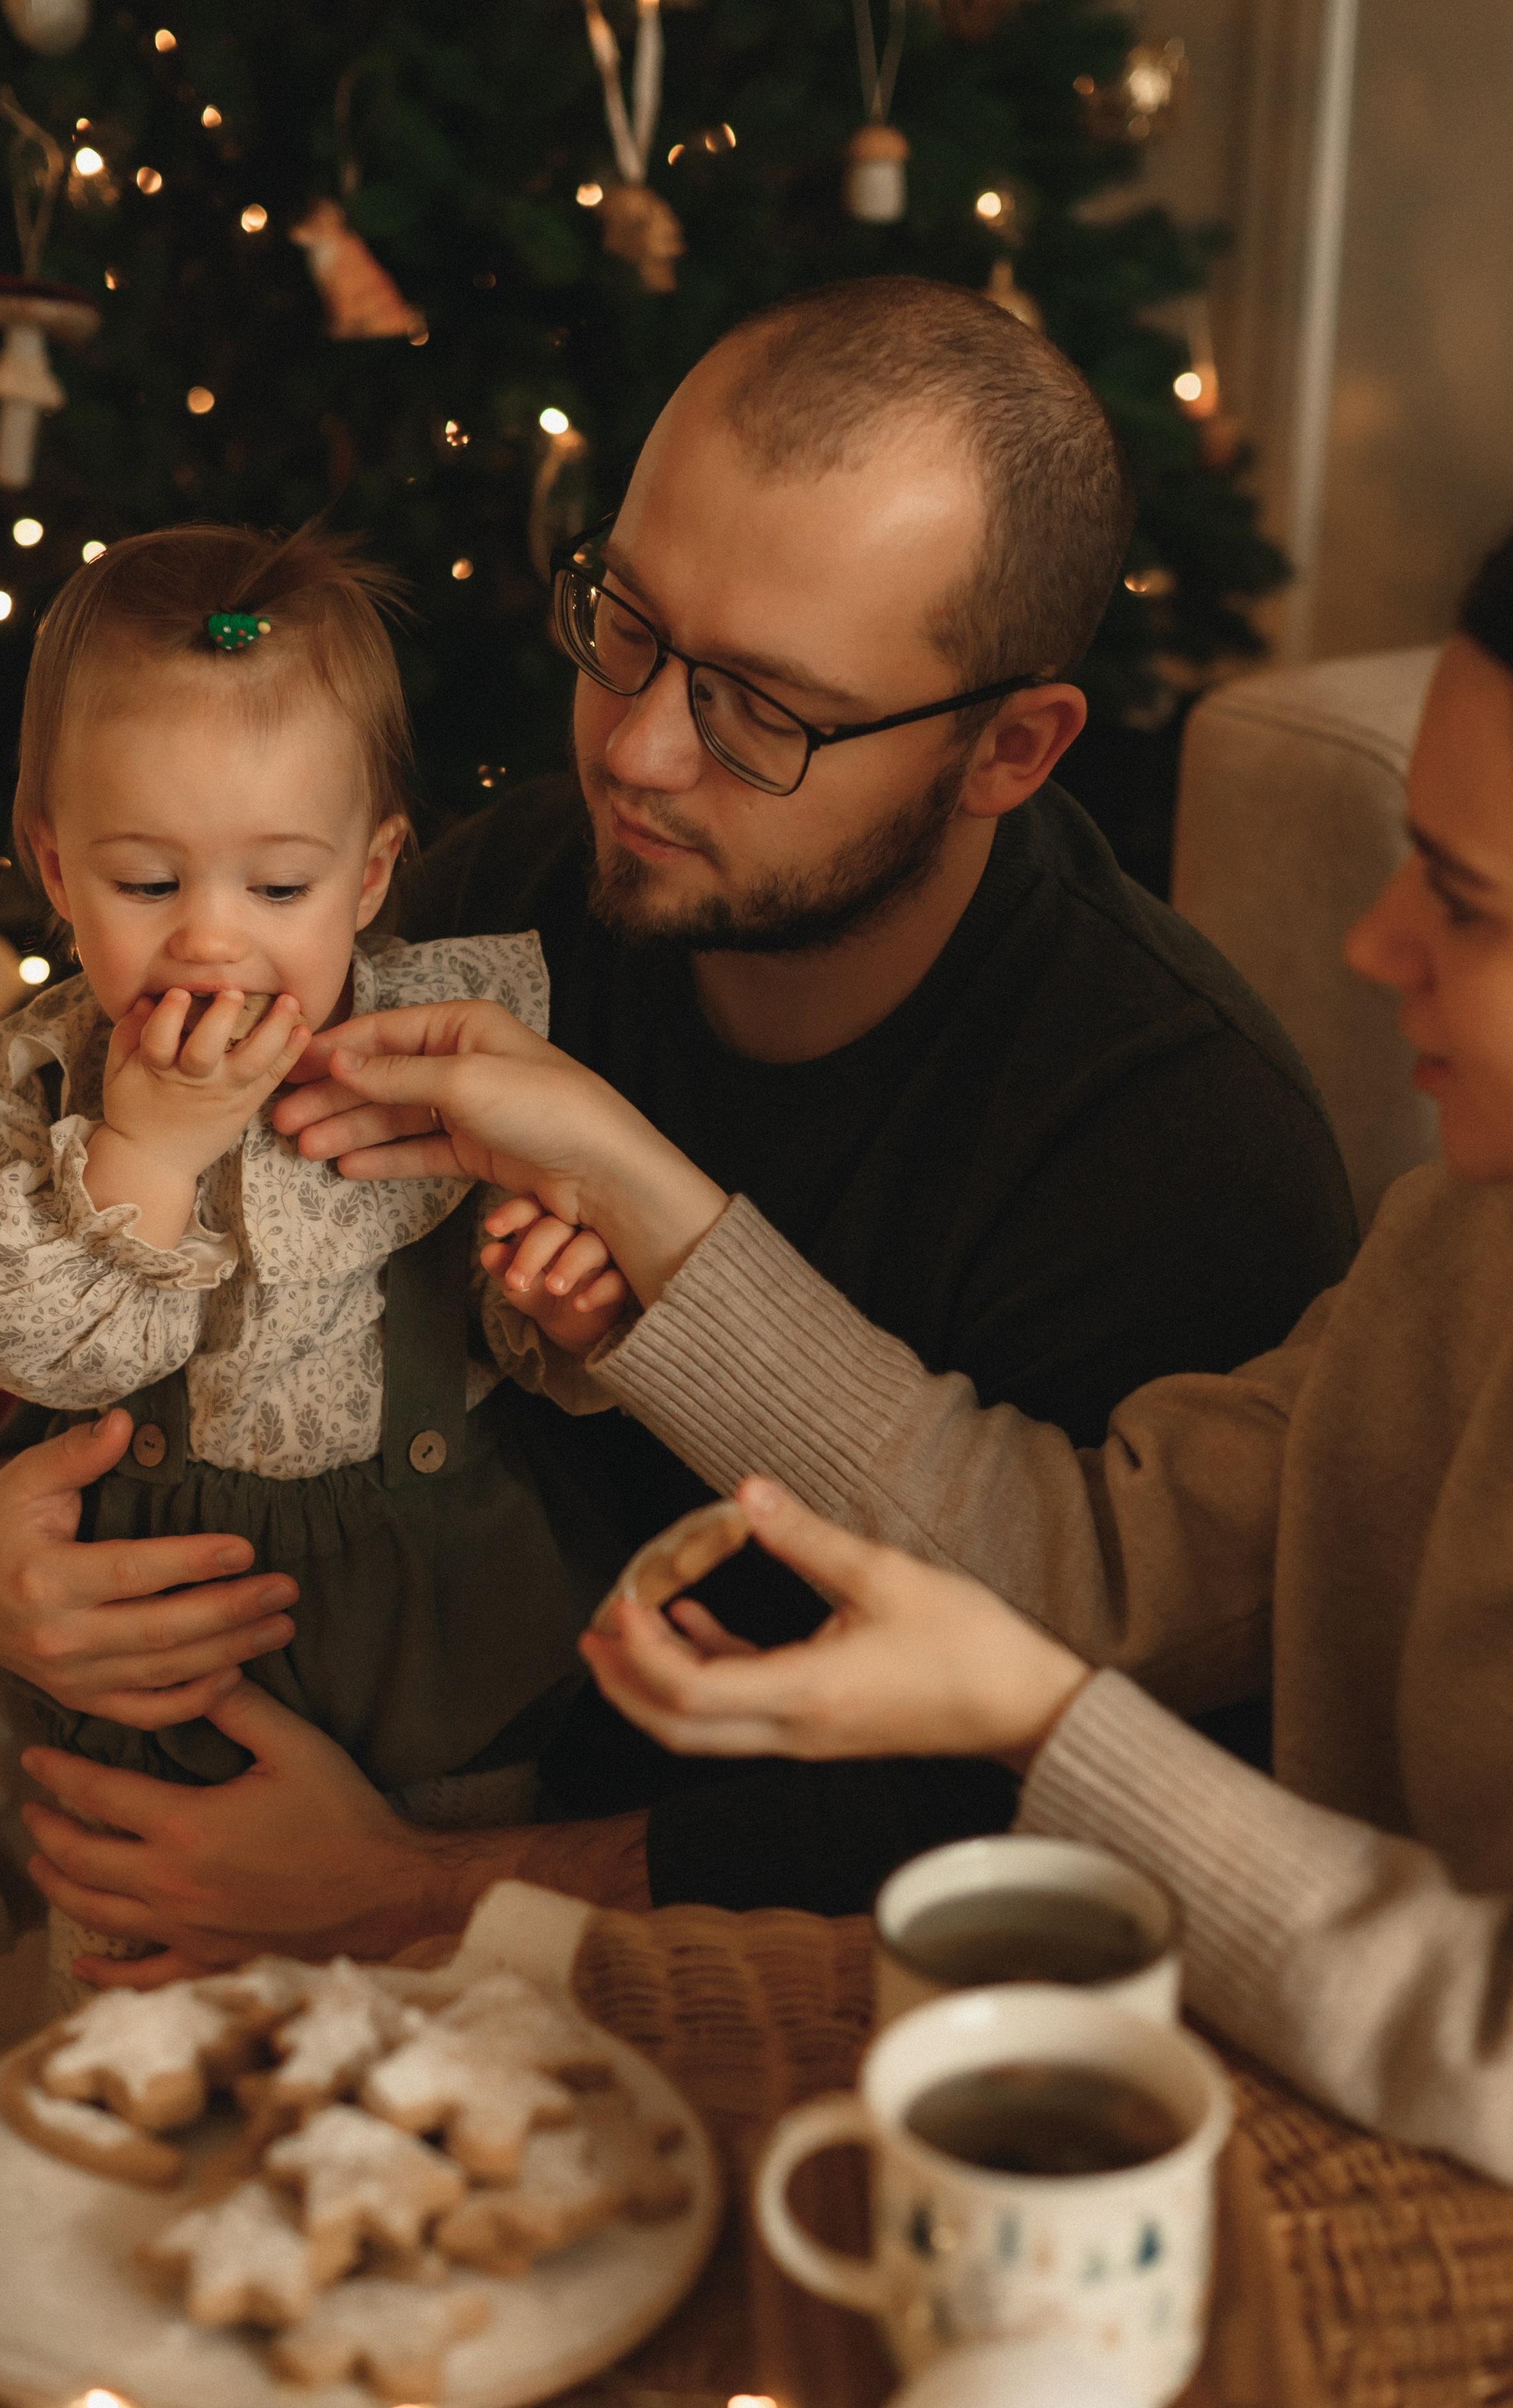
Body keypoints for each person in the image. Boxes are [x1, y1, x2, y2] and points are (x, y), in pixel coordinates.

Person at [0, 275, 1353, 1985]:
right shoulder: (532, 885)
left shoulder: (1174, 1145)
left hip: (690, 1898)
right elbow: (199, 1293)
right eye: (625, 620)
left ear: (1007, 750)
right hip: (360, 1669)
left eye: (763, 708)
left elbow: (1097, 1797)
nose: (637, 748)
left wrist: (422, 1884)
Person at [564, 531, 1513, 2184]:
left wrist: (1033, 1719)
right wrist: (639, 1200)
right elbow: (1116, 1554)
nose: (1372, 947)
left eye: (1467, 900)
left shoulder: (1166, 1105)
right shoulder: (1462, 1239)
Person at [0, 522, 629, 1945]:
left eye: (279, 888)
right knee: (144, 1996)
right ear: (56, 868)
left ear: (372, 874)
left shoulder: (440, 1051)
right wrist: (148, 1151)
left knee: (454, 2003)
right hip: (157, 1675)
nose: (213, 940)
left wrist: (566, 1312)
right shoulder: (48, 1085)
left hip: (446, 1648)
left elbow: (519, 1314)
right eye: (148, 884)